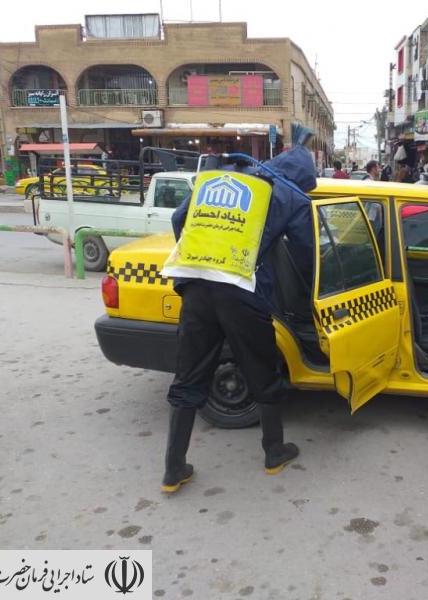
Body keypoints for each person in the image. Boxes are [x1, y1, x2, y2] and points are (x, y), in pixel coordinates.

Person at [158, 138, 317, 494]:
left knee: (188, 377)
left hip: (197, 289)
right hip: (244, 293)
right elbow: (306, 251)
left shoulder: (221, 178)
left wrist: (203, 257)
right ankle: (274, 451)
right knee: (264, 371)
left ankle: (173, 469)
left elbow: (178, 217)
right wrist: (309, 290)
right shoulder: (292, 196)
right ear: (305, 179)